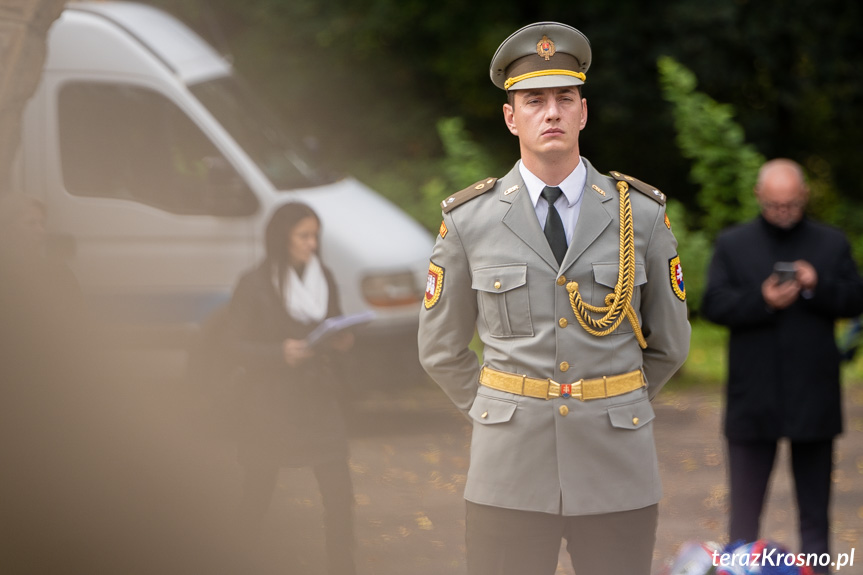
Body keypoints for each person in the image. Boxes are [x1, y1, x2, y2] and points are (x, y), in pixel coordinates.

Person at [417, 22, 691, 575]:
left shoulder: (640, 214)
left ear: (583, 112)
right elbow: (440, 348)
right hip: (509, 470)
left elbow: (672, 343)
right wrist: (499, 412)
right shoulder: (469, 220)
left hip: (616, 467)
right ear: (510, 116)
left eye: (565, 98)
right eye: (534, 99)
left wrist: (616, 403)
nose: (551, 112)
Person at [701, 158, 863, 572]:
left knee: (815, 515)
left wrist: (816, 286)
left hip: (814, 399)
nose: (784, 213)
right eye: (775, 206)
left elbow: (855, 299)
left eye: (791, 205)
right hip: (752, 399)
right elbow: (712, 305)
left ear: (804, 197)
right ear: (759, 198)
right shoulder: (734, 244)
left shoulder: (831, 243)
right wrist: (762, 301)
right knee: (743, 516)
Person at [223, 202, 356, 574]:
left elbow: (333, 324)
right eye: (304, 236)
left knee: (339, 496)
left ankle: (343, 567)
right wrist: (277, 353)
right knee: (258, 492)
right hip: (268, 404)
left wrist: (341, 341)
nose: (312, 244)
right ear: (282, 238)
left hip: (317, 399)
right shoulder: (254, 284)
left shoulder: (323, 277)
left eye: (315, 236)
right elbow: (231, 345)